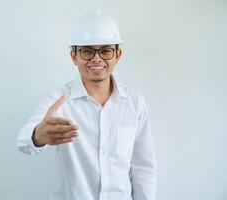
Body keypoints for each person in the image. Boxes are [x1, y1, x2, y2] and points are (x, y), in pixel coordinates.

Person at [17, 9, 157, 200]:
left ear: (118, 55)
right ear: (74, 56)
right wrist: (37, 136)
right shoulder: (58, 101)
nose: (97, 59)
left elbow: (143, 168)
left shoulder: (134, 103)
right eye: (87, 51)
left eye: (106, 50)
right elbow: (24, 143)